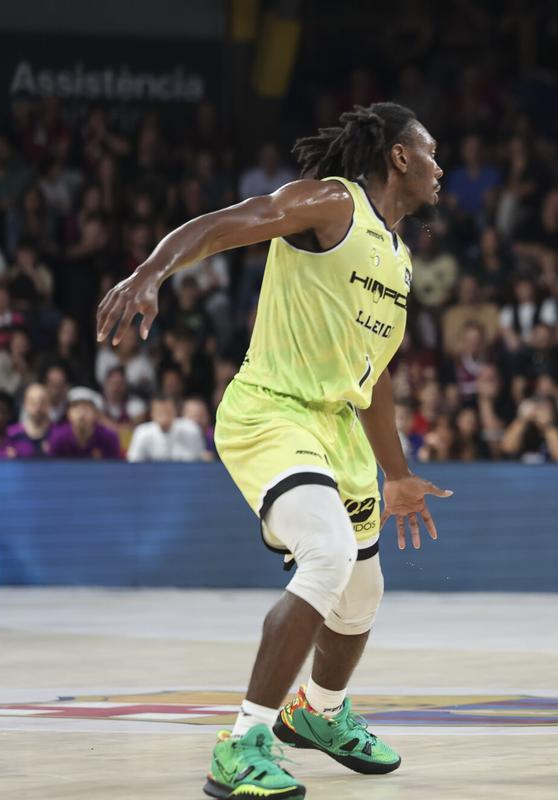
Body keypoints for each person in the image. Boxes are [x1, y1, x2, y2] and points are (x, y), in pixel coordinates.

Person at [97, 102, 452, 799]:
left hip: (338, 427)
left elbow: (374, 377)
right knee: (326, 554)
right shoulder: (331, 204)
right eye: (432, 152)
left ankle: (317, 713)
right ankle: (242, 742)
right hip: (272, 409)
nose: (442, 167)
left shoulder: (402, 262)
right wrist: (152, 270)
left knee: (361, 597)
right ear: (401, 158)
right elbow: (226, 224)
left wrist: (399, 474)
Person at [127, 395, 210, 462]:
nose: (164, 416)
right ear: (152, 414)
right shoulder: (142, 433)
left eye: (168, 411)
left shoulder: (192, 429)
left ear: (175, 411)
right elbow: (133, 463)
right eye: (159, 412)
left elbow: (201, 460)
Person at [47, 387, 122, 460]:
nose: (81, 413)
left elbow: (114, 468)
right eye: (76, 407)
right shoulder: (58, 438)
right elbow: (51, 468)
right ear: (68, 413)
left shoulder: (109, 438)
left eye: (86, 408)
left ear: (96, 413)